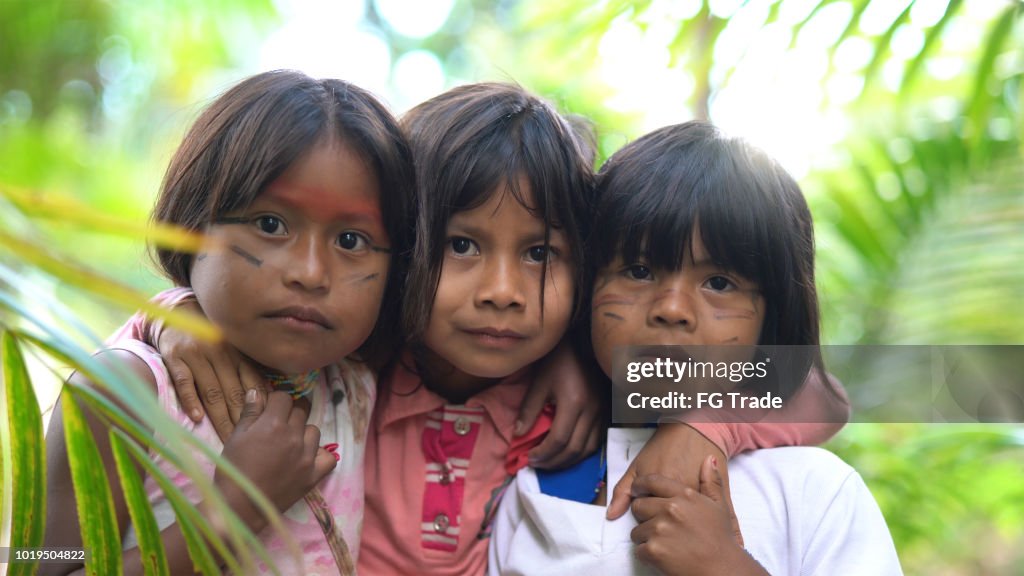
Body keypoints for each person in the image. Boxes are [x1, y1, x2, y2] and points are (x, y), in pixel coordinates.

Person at [41, 69, 416, 576]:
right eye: (270, 224)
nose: (310, 273)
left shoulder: (357, 384)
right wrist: (228, 517)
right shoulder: (125, 393)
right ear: (191, 224)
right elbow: (39, 565)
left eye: (351, 241)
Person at [489, 121, 902, 575]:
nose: (672, 308)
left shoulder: (811, 489)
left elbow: (824, 396)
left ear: (775, 314)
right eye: (638, 271)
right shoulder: (530, 493)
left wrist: (724, 565)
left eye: (720, 283)